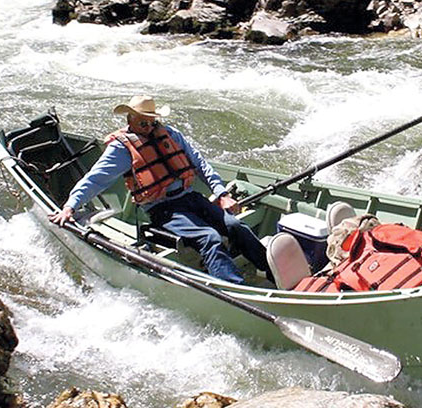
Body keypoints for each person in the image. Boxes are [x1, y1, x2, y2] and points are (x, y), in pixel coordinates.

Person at [49, 95, 272, 287]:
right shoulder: (121, 148)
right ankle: (236, 290)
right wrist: (70, 206)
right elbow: (96, 179)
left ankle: (272, 272)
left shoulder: (170, 134)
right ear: (130, 119)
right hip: (163, 209)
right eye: (142, 124)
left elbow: (200, 163)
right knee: (210, 238)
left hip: (190, 197)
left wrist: (221, 193)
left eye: (151, 122)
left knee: (235, 225)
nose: (148, 128)